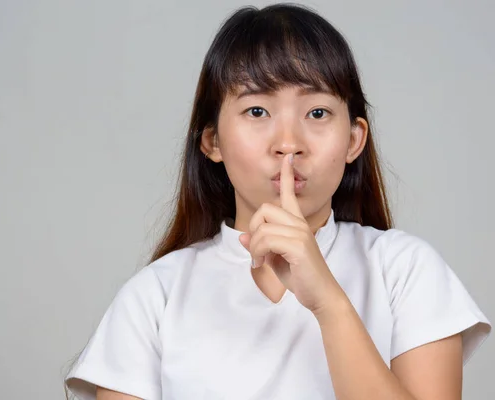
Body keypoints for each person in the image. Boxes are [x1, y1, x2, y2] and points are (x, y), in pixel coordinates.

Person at [64, 3, 491, 399]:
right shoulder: (153, 298)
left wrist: (329, 301)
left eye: (317, 113)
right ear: (212, 141)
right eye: (257, 112)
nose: (288, 143)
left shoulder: (406, 271)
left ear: (354, 139)